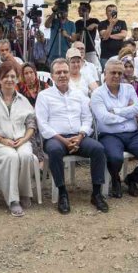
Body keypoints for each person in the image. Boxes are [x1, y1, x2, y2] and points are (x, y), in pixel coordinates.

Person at [36, 59, 107, 213]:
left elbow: (87, 118)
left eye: (65, 72)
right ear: (52, 76)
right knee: (54, 151)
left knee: (98, 149)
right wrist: (63, 140)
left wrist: (81, 136)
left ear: (69, 74)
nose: (62, 75)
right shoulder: (44, 96)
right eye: (58, 72)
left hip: (78, 137)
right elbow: (43, 124)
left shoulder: (79, 94)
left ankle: (96, 193)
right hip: (56, 138)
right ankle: (62, 193)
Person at [91, 60, 138, 199]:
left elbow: (136, 109)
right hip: (110, 135)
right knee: (115, 158)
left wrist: (114, 111)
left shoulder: (128, 88)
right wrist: (126, 114)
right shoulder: (97, 93)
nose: (116, 76)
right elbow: (104, 118)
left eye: (119, 73)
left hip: (132, 133)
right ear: (105, 73)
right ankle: (115, 179)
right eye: (113, 72)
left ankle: (132, 179)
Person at [0, 62, 38, 216]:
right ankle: (13, 200)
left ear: (17, 79)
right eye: (6, 76)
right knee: (12, 157)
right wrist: (2, 140)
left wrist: (25, 139)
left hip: (21, 140)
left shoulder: (23, 100)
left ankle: (24, 192)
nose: (9, 79)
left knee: (26, 156)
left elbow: (31, 123)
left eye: (13, 76)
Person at [74, 2, 101, 67]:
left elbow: (101, 28)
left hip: (91, 49)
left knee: (93, 66)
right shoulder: (78, 23)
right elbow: (75, 36)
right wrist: (82, 32)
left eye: (80, 9)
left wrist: (94, 25)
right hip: (80, 49)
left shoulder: (94, 20)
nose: (78, 11)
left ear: (86, 10)